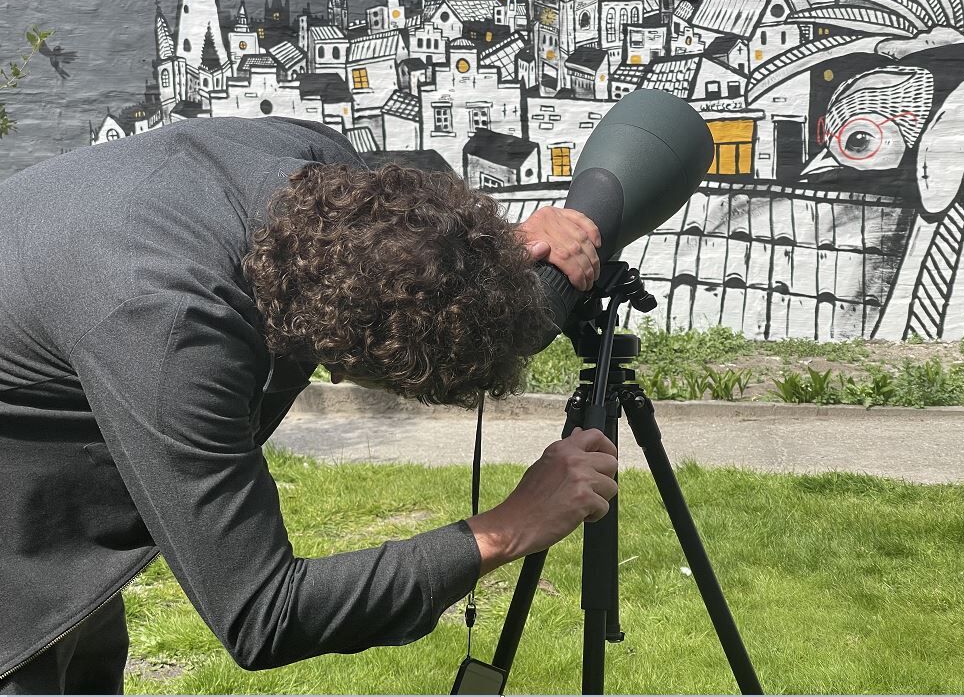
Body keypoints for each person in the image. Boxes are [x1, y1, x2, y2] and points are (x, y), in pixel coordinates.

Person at [0, 116, 618, 693]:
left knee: (78, 639)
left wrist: (504, 247)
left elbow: (413, 243)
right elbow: (263, 613)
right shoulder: (172, 332)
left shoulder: (321, 172)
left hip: (52, 449)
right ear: (339, 360)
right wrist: (509, 528)